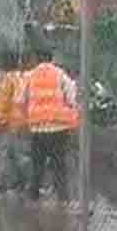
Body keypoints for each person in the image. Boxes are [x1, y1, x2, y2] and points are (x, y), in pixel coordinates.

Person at [21, 49, 79, 203]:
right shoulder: (60, 74)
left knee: (37, 165)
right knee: (59, 163)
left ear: (37, 58)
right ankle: (63, 197)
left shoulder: (30, 76)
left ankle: (33, 196)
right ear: (51, 58)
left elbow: (22, 99)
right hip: (58, 127)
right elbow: (72, 98)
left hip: (37, 128)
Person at [0, 49, 29, 193]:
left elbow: (2, 103)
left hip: (9, 123)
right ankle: (20, 182)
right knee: (14, 154)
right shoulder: (17, 78)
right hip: (16, 122)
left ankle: (0, 182)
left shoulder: (8, 79)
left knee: (6, 153)